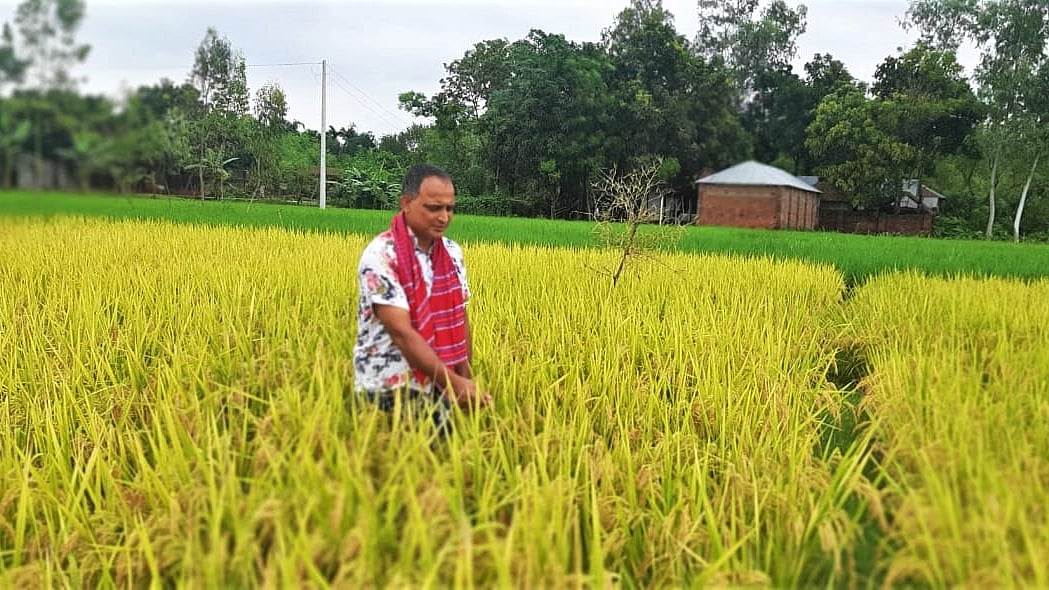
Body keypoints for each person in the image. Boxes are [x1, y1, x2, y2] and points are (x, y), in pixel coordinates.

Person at [353, 163, 491, 435]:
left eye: (449, 208)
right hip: (387, 387)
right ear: (406, 203)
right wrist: (452, 382)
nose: (443, 217)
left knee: (441, 466)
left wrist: (464, 376)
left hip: (438, 383)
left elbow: (459, 316)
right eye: (433, 208)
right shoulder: (381, 255)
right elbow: (402, 333)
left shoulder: (452, 254)